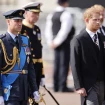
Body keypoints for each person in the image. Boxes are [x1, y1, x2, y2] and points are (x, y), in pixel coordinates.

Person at [0, 9, 41, 105]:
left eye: (21, 21)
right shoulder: (2, 42)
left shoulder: (25, 40)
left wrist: (34, 89)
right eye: (16, 21)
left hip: (24, 91)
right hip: (10, 91)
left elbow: (29, 67)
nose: (19, 23)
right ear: (8, 21)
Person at [70, 7, 105, 105]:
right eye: (95, 20)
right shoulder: (78, 40)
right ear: (87, 20)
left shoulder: (103, 38)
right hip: (88, 84)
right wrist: (79, 86)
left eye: (99, 20)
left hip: (102, 83)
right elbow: (74, 64)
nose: (98, 22)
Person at [45, 0, 75, 92]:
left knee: (57, 64)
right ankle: (62, 86)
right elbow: (64, 31)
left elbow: (48, 29)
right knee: (63, 64)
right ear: (65, 3)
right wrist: (57, 42)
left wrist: (51, 42)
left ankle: (56, 86)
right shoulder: (66, 14)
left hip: (54, 42)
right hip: (64, 43)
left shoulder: (52, 14)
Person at [20, 2, 45, 104]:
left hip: (37, 67)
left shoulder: (37, 29)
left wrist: (42, 74)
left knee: (36, 96)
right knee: (27, 95)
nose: (36, 16)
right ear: (26, 13)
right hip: (28, 66)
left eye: (38, 14)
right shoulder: (22, 29)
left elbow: (39, 52)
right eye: (33, 13)